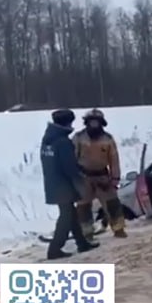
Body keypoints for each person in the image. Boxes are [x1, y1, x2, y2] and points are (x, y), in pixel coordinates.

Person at [40, 109, 100, 260]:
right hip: (64, 184)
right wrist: (81, 176)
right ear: (67, 122)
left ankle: (82, 243)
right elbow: (69, 166)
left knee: (70, 214)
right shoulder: (63, 141)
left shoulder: (48, 139)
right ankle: (54, 249)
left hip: (52, 182)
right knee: (66, 217)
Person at [73, 108, 128, 239]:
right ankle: (87, 232)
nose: (94, 125)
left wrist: (115, 179)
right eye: (91, 122)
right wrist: (73, 178)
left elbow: (114, 160)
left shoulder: (108, 139)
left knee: (112, 203)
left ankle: (118, 228)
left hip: (103, 177)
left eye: (96, 122)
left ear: (101, 123)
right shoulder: (78, 138)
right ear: (87, 123)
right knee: (83, 206)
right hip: (83, 177)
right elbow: (72, 158)